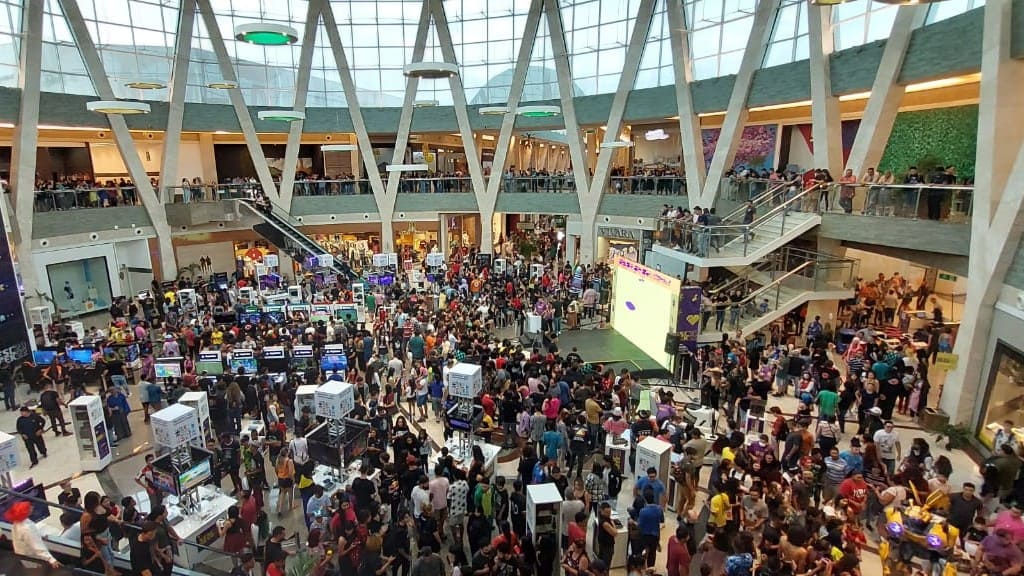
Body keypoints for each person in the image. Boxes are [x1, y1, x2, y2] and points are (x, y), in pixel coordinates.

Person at [7, 500, 60, 568]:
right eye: (28, 507)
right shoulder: (27, 528)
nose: (32, 507)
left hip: (23, 554)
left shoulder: (17, 522)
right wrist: (51, 559)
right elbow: (36, 546)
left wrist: (38, 536)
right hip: (32, 557)